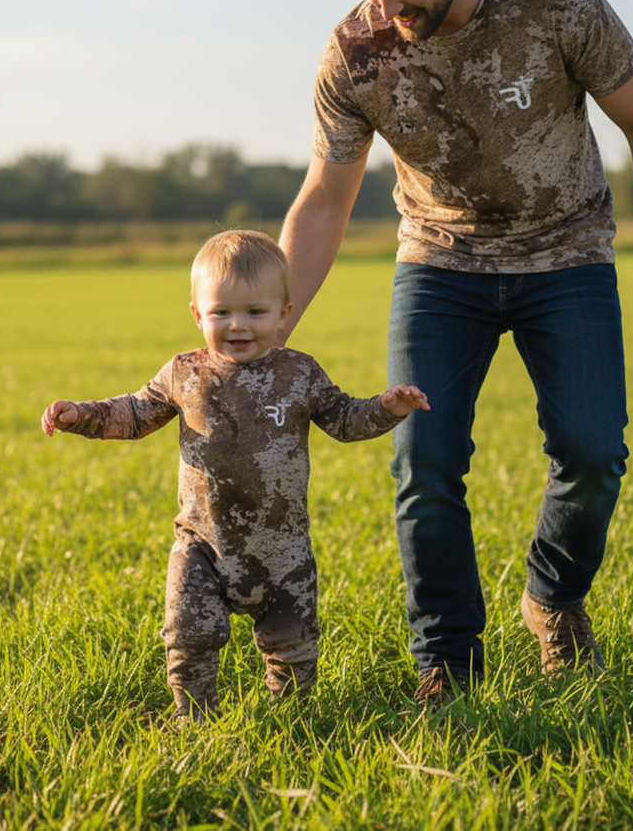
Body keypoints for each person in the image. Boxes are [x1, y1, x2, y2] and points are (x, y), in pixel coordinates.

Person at [278, 0, 633, 707]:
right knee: (423, 460)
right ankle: (448, 663)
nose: (387, 9)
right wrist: (271, 323)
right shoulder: (355, 52)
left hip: (568, 252)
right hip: (439, 265)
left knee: (593, 454)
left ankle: (552, 599)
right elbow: (324, 200)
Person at [41, 230, 429, 722]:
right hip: (203, 543)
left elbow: (345, 419)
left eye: (255, 312)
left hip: (282, 548)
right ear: (197, 314)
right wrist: (81, 415)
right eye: (221, 312)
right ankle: (194, 719)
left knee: (293, 647)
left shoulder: (300, 374)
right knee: (188, 635)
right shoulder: (184, 373)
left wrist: (388, 407)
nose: (237, 325)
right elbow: (136, 414)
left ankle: (290, 720)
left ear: (284, 313)